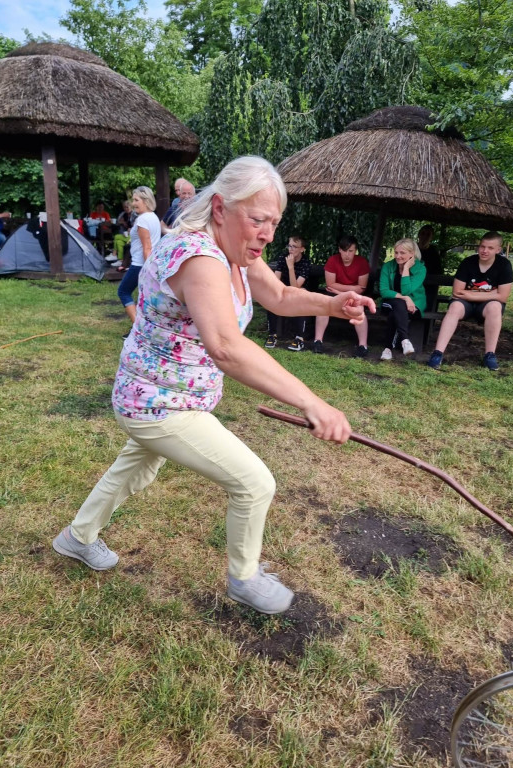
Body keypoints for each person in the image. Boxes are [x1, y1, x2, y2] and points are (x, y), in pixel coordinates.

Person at [52, 155, 375, 615]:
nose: (267, 234)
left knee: (136, 470)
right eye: (258, 219)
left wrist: (332, 304)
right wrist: (312, 403)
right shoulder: (199, 256)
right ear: (221, 209)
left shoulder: (236, 252)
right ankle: (244, 578)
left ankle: (76, 537)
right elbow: (225, 345)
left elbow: (280, 296)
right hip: (157, 403)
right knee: (253, 483)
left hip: (172, 396)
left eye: (274, 223)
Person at [427, 231, 513, 371]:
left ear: (498, 249)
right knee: (454, 308)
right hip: (465, 304)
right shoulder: (468, 262)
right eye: (482, 246)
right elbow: (457, 292)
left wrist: (470, 294)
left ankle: (490, 355)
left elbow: (503, 297)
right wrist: (492, 293)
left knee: (495, 307)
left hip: (486, 306)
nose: (484, 251)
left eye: (490, 248)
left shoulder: (504, 265)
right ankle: (437, 353)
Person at [117, 186, 166, 327]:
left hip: (140, 264)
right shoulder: (154, 217)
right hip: (149, 263)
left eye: (136, 200)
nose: (133, 203)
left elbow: (147, 247)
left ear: (145, 200)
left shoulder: (143, 220)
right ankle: (146, 328)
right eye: (133, 200)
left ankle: (138, 328)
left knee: (123, 291)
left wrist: (147, 271)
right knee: (144, 298)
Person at [313, 236, 370, 356]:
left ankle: (363, 346)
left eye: (351, 251)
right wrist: (350, 289)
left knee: (359, 310)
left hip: (354, 296)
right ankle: (318, 341)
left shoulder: (362, 263)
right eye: (344, 250)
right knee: (323, 307)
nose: (347, 255)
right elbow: (330, 284)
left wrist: (341, 291)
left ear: (356, 251)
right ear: (339, 250)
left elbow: (361, 288)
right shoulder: (333, 260)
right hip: (334, 294)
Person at [379, 238, 427, 360]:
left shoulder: (420, 269)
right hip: (389, 302)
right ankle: (405, 340)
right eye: (396, 252)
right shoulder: (388, 266)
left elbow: (407, 290)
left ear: (412, 254)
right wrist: (405, 298)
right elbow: (384, 291)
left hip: (413, 305)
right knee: (398, 305)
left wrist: (405, 269)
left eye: (402, 253)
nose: (398, 256)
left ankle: (387, 348)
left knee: (395, 312)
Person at [265, 234, 310, 351]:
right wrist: (282, 290)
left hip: (296, 292)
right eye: (289, 246)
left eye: (295, 247)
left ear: (302, 249)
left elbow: (295, 287)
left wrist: (291, 267)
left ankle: (299, 338)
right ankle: (272, 335)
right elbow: (275, 280)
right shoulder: (282, 257)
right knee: (271, 297)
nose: (291, 249)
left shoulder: (305, 262)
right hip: (283, 289)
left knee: (299, 298)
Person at [108, 200, 136, 268]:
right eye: (124, 207)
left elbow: (136, 225)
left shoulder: (135, 215)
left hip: (133, 236)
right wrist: (122, 223)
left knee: (117, 236)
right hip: (125, 234)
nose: (126, 209)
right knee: (119, 242)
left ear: (131, 207)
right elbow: (119, 223)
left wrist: (131, 228)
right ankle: (120, 261)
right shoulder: (123, 215)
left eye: (127, 207)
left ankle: (114, 254)